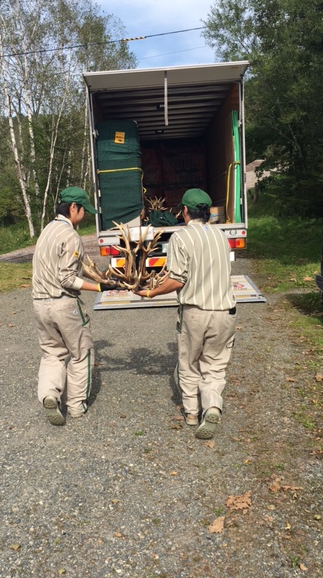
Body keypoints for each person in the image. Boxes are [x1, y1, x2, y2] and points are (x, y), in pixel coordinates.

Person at [136, 188, 236, 440]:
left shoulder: (181, 238)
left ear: (184, 211)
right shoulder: (221, 236)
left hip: (195, 312)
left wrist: (151, 292)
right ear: (208, 212)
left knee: (189, 363)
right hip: (225, 312)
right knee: (215, 365)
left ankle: (192, 413)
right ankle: (212, 406)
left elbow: (177, 280)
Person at [32, 186, 115, 426]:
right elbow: (67, 278)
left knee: (52, 353)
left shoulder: (47, 230)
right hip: (64, 304)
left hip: (40, 303)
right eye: (83, 210)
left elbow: (59, 268)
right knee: (81, 353)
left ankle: (50, 394)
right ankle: (76, 405)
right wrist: (99, 287)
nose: (84, 215)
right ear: (73, 207)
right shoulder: (70, 235)